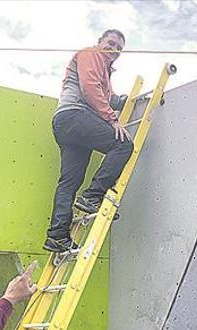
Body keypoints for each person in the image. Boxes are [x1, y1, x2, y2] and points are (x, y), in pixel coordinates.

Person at [44, 29, 133, 253]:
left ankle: (57, 235)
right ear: (99, 42)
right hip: (76, 116)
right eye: (111, 43)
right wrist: (113, 119)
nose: (114, 49)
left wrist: (124, 101)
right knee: (122, 144)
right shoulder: (91, 54)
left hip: (67, 123)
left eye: (119, 48)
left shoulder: (103, 68)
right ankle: (93, 196)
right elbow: (90, 88)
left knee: (69, 181)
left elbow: (107, 96)